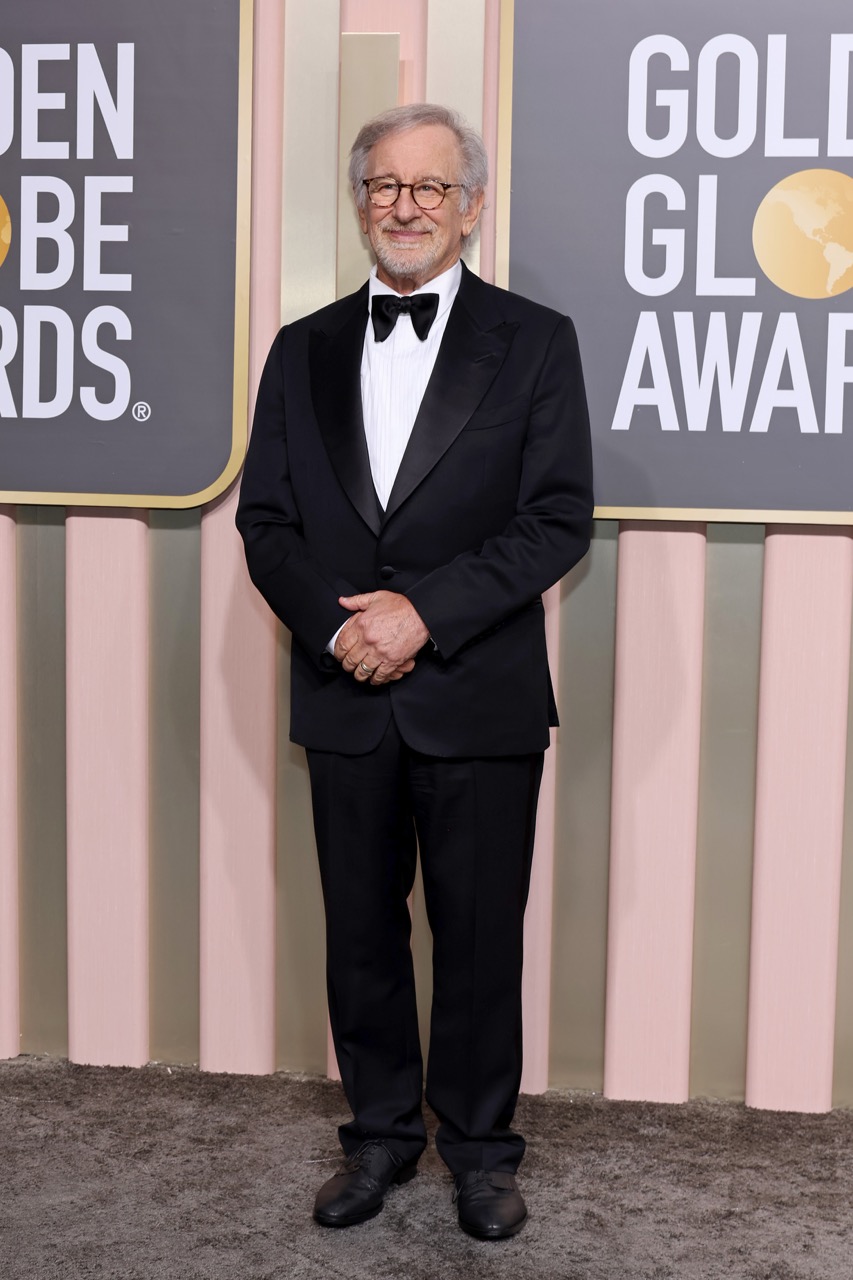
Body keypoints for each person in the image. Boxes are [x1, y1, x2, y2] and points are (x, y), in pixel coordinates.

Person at [236, 102, 593, 1240]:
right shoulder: (300, 347)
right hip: (344, 691)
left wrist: (421, 616)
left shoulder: (535, 340)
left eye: (430, 187)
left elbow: (556, 519)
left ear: (470, 206)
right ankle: (381, 1135)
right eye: (385, 185)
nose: (405, 206)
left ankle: (481, 1151)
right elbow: (266, 521)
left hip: (477, 694)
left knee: (479, 939)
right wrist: (339, 630)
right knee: (359, 933)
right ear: (360, 204)